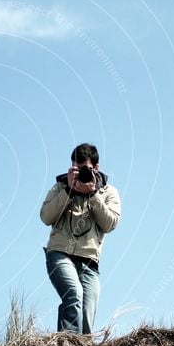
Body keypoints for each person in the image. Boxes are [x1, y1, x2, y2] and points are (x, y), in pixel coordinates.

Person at [40, 143, 121, 333]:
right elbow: (46, 217)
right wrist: (68, 190)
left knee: (86, 316)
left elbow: (110, 224)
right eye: (77, 168)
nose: (81, 173)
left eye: (86, 168)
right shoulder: (60, 186)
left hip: (89, 262)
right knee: (73, 294)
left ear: (96, 168)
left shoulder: (108, 192)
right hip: (59, 254)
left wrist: (92, 194)